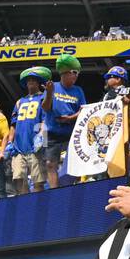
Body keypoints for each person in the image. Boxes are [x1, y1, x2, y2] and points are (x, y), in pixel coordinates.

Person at [41, 54, 85, 189]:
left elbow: (83, 110)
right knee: (50, 163)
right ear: (64, 73)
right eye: (74, 73)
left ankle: (72, 188)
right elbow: (45, 107)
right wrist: (49, 93)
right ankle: (55, 191)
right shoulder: (52, 87)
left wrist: (70, 118)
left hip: (71, 133)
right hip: (52, 132)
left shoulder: (78, 90)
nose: (76, 76)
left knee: (73, 163)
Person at [6, 67, 50, 195]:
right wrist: (10, 142)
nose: (30, 82)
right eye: (28, 80)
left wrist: (42, 138)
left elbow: (46, 120)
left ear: (38, 82)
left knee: (38, 180)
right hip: (19, 147)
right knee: (18, 178)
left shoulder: (43, 98)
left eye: (33, 80)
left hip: (36, 145)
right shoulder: (20, 102)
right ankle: (25, 204)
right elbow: (13, 124)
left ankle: (38, 204)